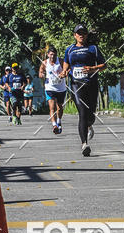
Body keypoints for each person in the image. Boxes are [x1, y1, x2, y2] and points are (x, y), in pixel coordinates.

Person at [60, 25, 106, 155]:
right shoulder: (70, 50)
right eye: (78, 33)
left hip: (91, 84)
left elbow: (104, 65)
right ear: (74, 35)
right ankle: (84, 144)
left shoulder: (93, 48)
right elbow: (66, 66)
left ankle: (89, 124)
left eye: (83, 33)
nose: (81, 35)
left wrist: (93, 69)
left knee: (90, 115)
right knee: (82, 112)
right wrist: (64, 72)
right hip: (76, 85)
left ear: (86, 35)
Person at [39, 45, 67, 134]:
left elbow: (68, 69)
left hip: (61, 88)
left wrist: (64, 73)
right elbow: (40, 72)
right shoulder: (44, 63)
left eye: (54, 55)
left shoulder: (61, 61)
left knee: (59, 107)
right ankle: (54, 125)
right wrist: (42, 75)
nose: (52, 57)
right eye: (51, 55)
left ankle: (59, 121)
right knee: (52, 107)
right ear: (48, 55)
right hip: (49, 88)